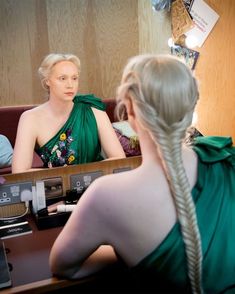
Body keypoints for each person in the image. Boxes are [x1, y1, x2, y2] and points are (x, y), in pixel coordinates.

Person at [49, 54, 235, 293]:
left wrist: (125, 248)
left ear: (130, 112)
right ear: (191, 109)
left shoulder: (106, 196)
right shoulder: (225, 159)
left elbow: (64, 266)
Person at [12, 53, 125, 173]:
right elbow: (19, 172)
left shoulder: (94, 112)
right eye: (62, 78)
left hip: (96, 184)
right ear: (47, 81)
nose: (70, 85)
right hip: (56, 188)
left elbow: (119, 159)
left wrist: (83, 176)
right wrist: (64, 179)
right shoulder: (30, 119)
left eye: (74, 78)